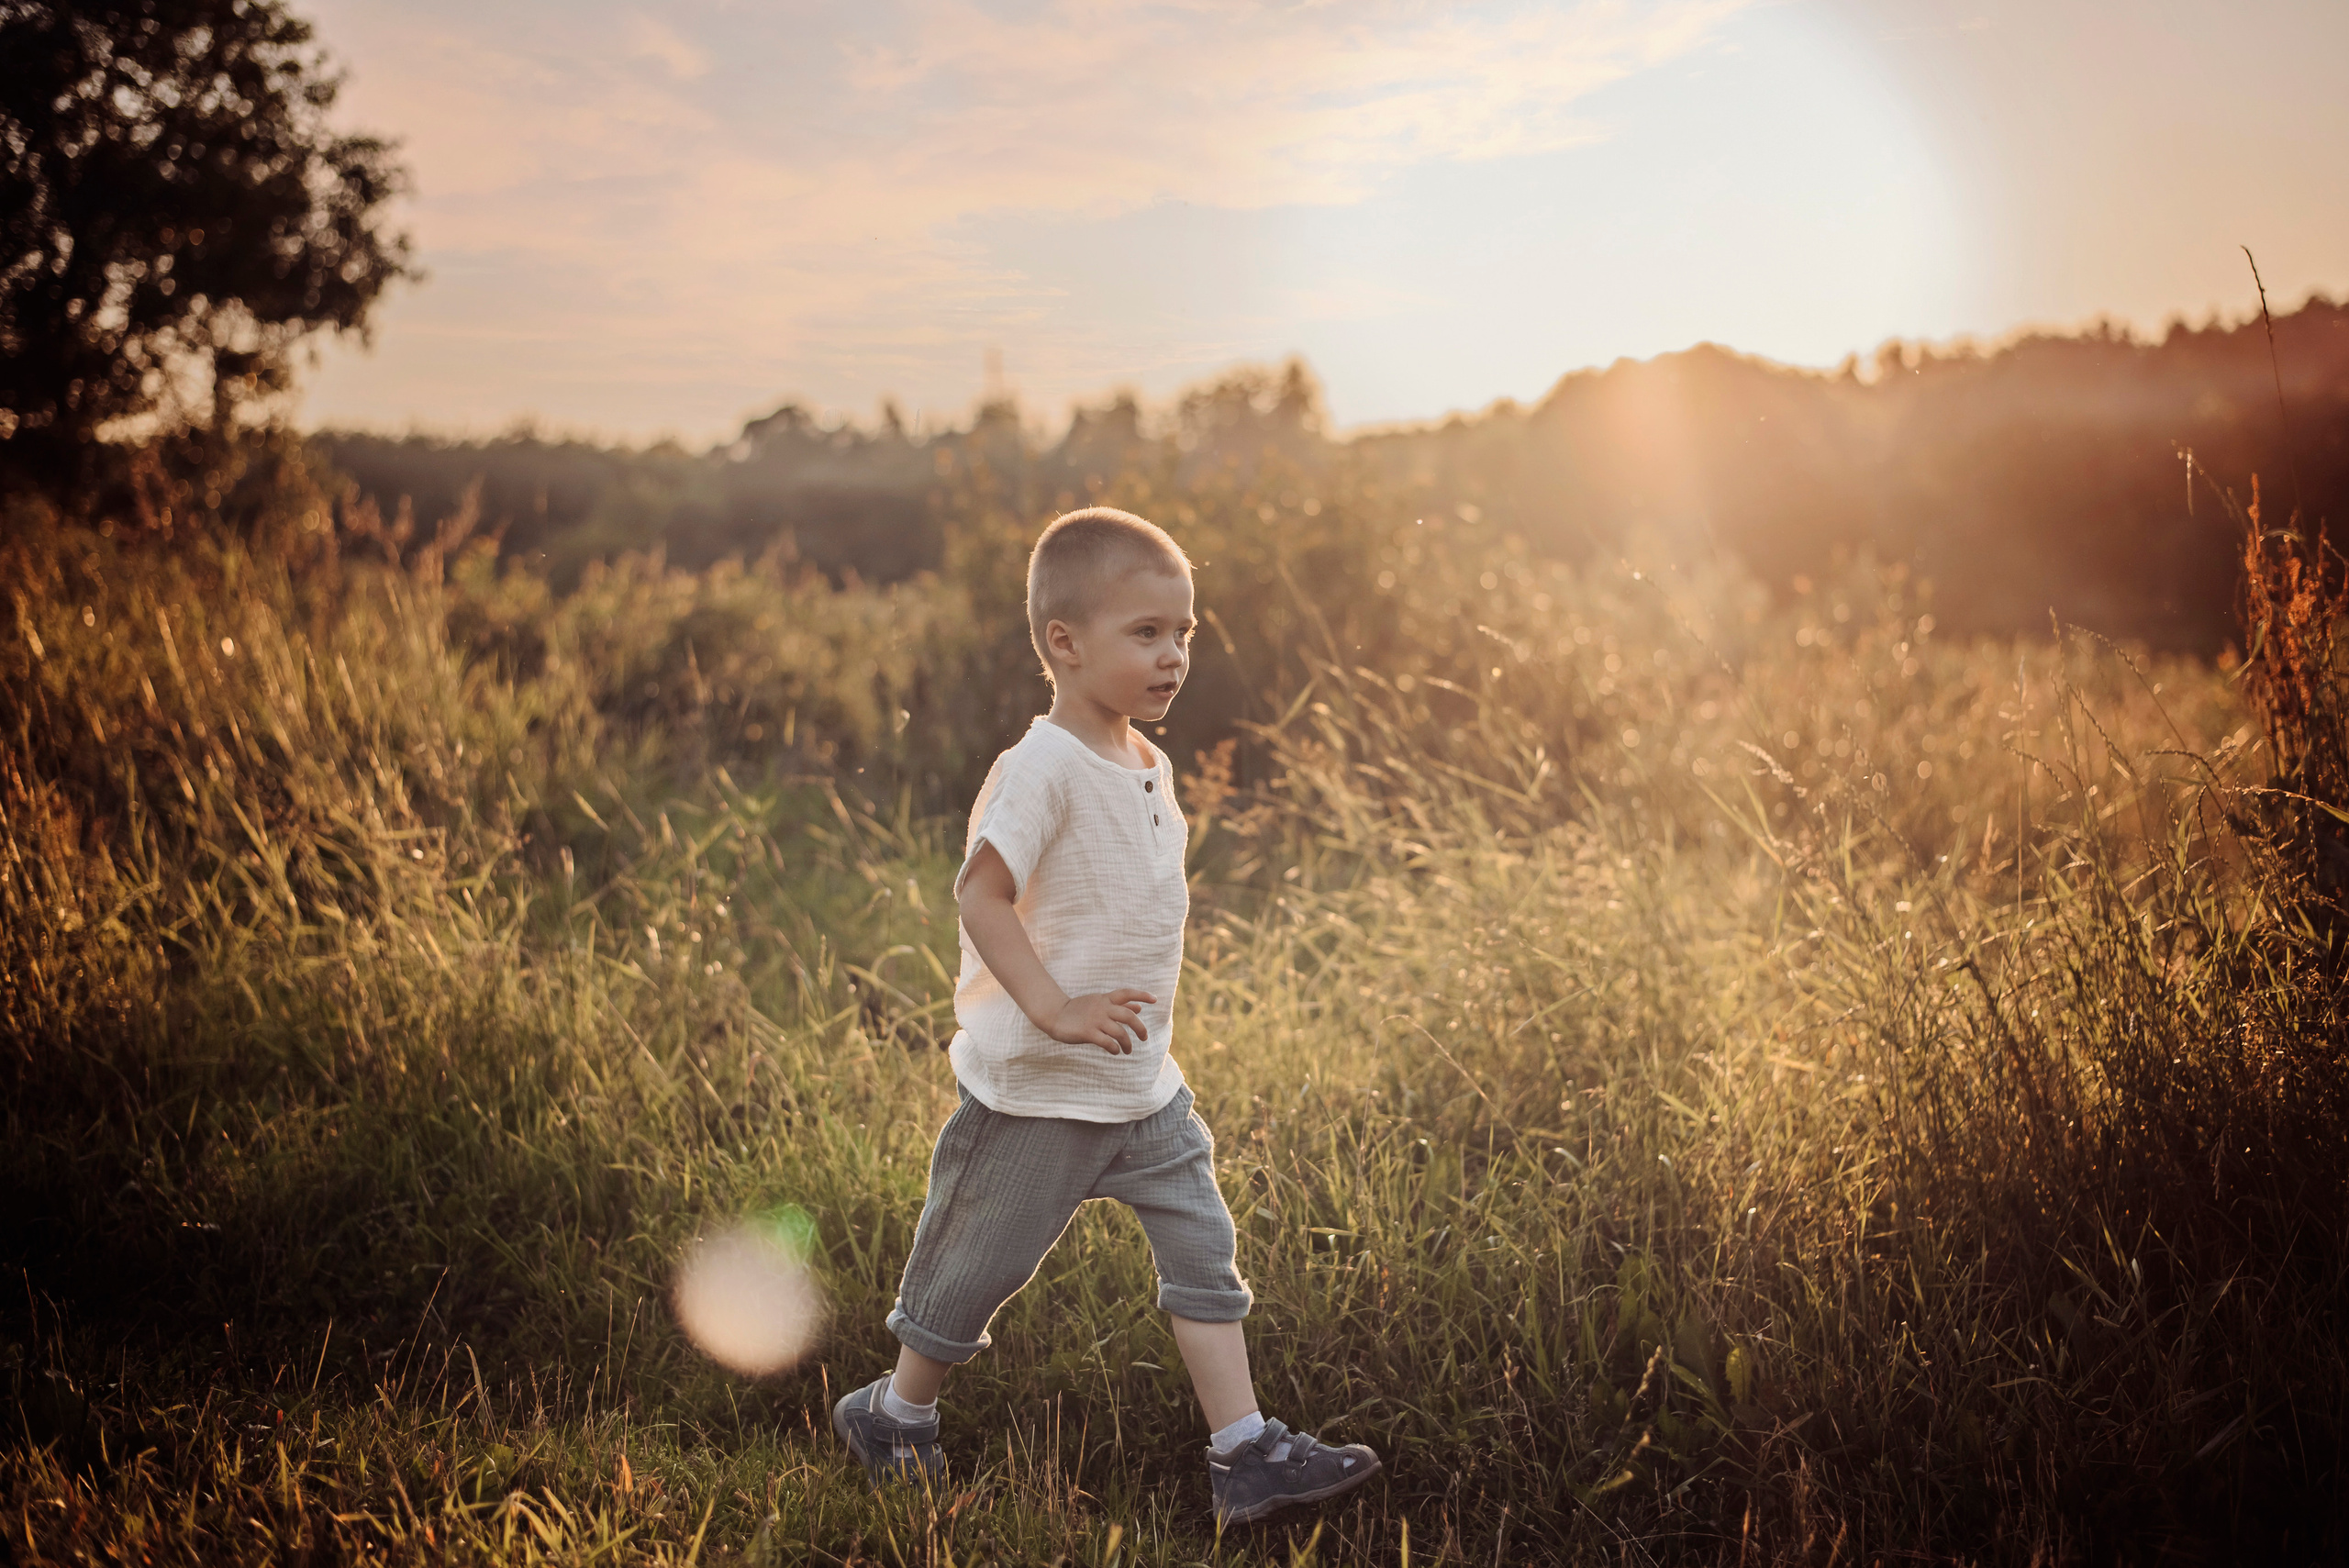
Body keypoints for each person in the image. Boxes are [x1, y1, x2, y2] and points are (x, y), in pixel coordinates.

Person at [831, 506, 1381, 1529]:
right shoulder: (1042, 767)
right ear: (1065, 641)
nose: (1174, 655)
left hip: (1140, 1086)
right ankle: (895, 1415)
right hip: (1040, 1093)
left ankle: (1244, 1452)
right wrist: (1053, 1007)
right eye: (1146, 632)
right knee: (971, 1274)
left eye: (1184, 632)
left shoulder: (1147, 762)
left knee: (1204, 1250)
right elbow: (980, 893)